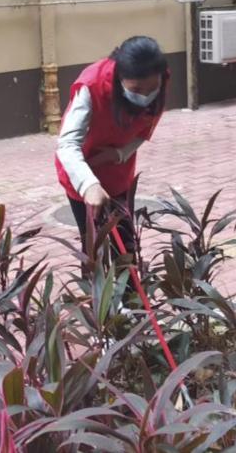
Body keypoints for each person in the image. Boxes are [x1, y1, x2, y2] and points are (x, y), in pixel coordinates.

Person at [55, 36, 169, 276]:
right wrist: (88, 185)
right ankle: (96, 297)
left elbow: (145, 129)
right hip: (81, 171)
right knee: (93, 247)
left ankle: (129, 295)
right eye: (136, 90)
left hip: (118, 171)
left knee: (125, 245)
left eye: (151, 89)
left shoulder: (158, 78)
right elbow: (67, 144)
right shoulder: (92, 85)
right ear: (119, 78)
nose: (146, 95)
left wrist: (119, 154)